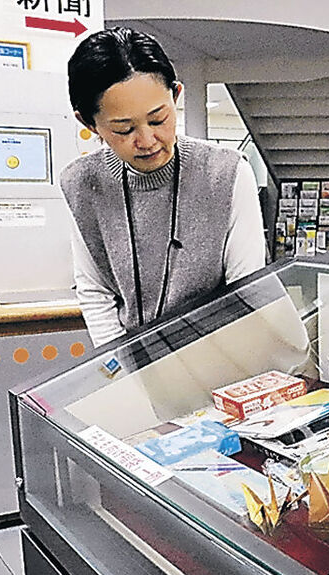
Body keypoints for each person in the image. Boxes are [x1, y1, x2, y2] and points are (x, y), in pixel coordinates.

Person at [61, 27, 266, 347]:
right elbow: (95, 292)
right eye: (124, 129)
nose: (146, 141)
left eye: (158, 120)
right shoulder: (83, 184)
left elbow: (247, 291)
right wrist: (123, 369)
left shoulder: (227, 174)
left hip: (221, 356)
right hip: (133, 363)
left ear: (176, 95)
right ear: (89, 124)